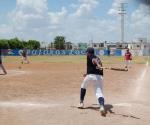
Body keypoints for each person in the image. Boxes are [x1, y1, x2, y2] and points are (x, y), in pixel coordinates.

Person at [78, 47, 105, 115]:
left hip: (91, 76)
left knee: (83, 86)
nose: (86, 54)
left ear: (89, 52)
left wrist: (98, 64)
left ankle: (81, 103)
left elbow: (94, 60)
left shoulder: (91, 56)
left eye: (87, 52)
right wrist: (87, 73)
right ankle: (101, 106)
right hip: (99, 77)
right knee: (99, 93)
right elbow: (94, 66)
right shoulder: (98, 58)